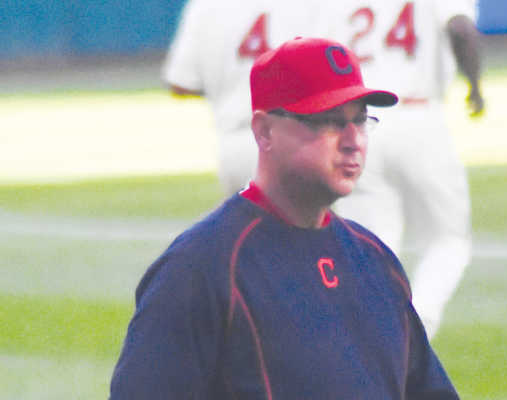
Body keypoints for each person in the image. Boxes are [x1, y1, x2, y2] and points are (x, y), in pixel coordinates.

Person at [110, 37, 461, 399]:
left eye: (360, 120)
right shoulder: (201, 267)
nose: (352, 140)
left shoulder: (376, 260)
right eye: (328, 121)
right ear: (265, 131)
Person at [322, 0, 485, 338]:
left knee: (371, 250)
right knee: (447, 243)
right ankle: (417, 327)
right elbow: (460, 28)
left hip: (360, 123)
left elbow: (320, 51)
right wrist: (476, 88)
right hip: (418, 116)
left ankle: (373, 341)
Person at [163, 0, 324, 197]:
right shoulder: (310, 5)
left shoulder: (205, 6)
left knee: (252, 226)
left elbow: (182, 83)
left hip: (235, 145)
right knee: (303, 225)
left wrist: (227, 86)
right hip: (297, 137)